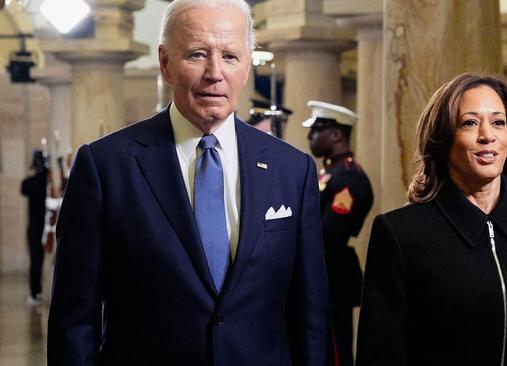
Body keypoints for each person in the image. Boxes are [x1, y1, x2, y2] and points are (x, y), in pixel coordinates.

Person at [47, 0, 329, 365]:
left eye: (230, 56)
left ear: (247, 64)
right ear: (165, 63)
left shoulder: (292, 169)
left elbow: (311, 317)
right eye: (197, 54)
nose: (215, 72)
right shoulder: (105, 167)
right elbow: (74, 321)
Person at [356, 73, 507, 365]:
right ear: (443, 141)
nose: (487, 135)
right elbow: (380, 356)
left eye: (498, 122)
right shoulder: (401, 234)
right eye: (470, 123)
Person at [303, 101, 373, 366]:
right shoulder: (331, 173)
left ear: (335, 134)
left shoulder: (349, 179)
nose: (310, 137)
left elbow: (330, 233)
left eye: (316, 131)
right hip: (323, 272)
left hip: (332, 274)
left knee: (334, 352)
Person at [20, 150, 48, 305]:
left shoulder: (36, 182)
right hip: (41, 227)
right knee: (38, 260)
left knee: (36, 261)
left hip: (37, 228)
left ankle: (35, 292)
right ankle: (37, 292)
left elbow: (24, 187)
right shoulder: (43, 180)